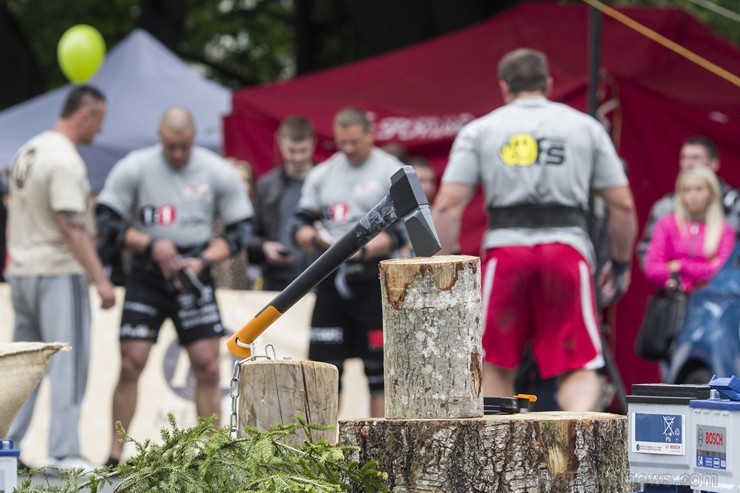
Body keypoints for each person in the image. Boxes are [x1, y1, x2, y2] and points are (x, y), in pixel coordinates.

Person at [432, 48, 637, 412]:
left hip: (505, 253)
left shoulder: (480, 130)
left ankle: (496, 453)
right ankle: (577, 454)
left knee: (495, 361)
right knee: (579, 365)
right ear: (549, 84)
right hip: (566, 250)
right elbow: (621, 204)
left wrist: (441, 267)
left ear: (503, 86)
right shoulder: (584, 127)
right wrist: (620, 264)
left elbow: (448, 205)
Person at [95, 107, 253, 466]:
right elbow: (105, 220)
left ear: (194, 137)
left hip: (193, 275)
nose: (178, 154)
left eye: (184, 146)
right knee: (131, 363)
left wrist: (205, 258)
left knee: (208, 366)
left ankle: (212, 455)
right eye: (171, 147)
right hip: (147, 275)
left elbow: (242, 229)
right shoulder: (136, 166)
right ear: (160, 136)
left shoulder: (215, 170)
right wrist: (151, 245)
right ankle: (114, 453)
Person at [6, 85, 116, 469]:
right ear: (83, 116)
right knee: (69, 359)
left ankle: (7, 445)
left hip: (21, 271)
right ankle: (64, 450)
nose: (100, 130)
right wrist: (100, 279)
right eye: (99, 121)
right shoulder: (65, 159)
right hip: (57, 272)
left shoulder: (30, 149)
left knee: (23, 364)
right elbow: (72, 226)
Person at [291, 107, 406, 417]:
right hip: (330, 276)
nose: (349, 149)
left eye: (355, 141)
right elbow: (298, 226)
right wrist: (317, 241)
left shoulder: (390, 169)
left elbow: (402, 229)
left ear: (369, 134)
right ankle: (321, 450)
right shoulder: (322, 174)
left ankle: (381, 452)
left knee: (379, 372)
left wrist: (363, 250)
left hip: (374, 278)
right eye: (343, 142)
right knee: (322, 371)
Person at [637, 136, 739, 267]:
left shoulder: (735, 204)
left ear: (714, 163)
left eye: (695, 158)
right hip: (675, 284)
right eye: (684, 158)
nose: (688, 163)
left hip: (726, 284)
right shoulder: (666, 207)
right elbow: (647, 253)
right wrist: (671, 277)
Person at [245, 116, 317, 291]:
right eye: (292, 151)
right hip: (276, 282)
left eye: (303, 150)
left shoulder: (326, 182)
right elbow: (249, 234)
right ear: (280, 143)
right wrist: (264, 248)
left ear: (313, 144)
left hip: (319, 281)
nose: (298, 157)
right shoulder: (266, 185)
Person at [644, 166, 735, 292]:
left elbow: (722, 271)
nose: (693, 196)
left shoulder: (725, 230)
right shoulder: (666, 224)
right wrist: (689, 283)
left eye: (699, 189)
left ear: (711, 193)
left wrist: (680, 266)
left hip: (707, 304)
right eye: (687, 190)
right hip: (671, 302)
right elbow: (652, 269)